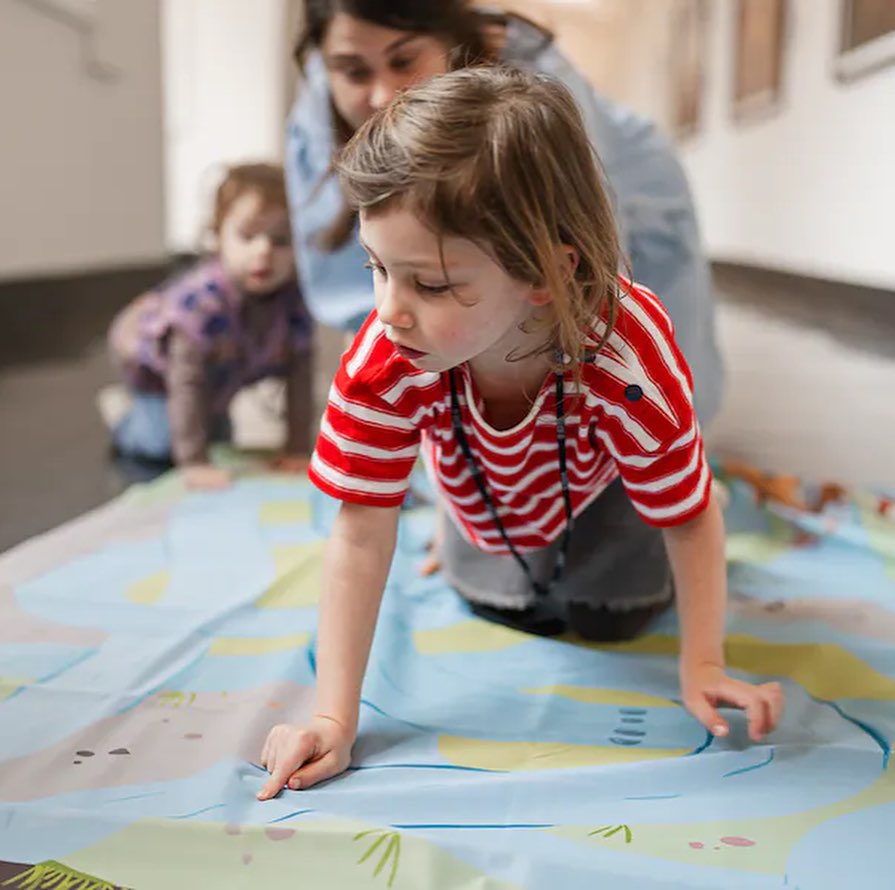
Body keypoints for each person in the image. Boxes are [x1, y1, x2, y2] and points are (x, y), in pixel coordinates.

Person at [257, 67, 783, 801]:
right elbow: (360, 530)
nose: (389, 310)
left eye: (431, 284)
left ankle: (679, 468)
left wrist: (701, 665)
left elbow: (689, 520)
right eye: (378, 269)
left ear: (547, 273)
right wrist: (331, 716)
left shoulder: (625, 355)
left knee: (614, 620)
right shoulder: (388, 352)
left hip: (609, 494)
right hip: (486, 495)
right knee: (506, 608)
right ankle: (474, 533)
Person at [285, 0, 723, 424]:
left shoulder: (536, 94)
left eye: (404, 61)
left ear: (448, 39)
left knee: (649, 406)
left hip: (635, 196)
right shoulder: (317, 110)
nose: (381, 95)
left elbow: (587, 294)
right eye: (354, 72)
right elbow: (357, 293)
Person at [105, 163, 314, 490]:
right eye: (247, 236)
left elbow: (300, 376)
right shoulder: (199, 308)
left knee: (219, 437)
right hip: (159, 370)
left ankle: (194, 429)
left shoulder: (295, 303)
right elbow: (186, 383)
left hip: (220, 372)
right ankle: (127, 424)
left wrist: (298, 448)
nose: (264, 251)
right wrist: (194, 463)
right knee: (161, 442)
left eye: (281, 240)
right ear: (218, 237)